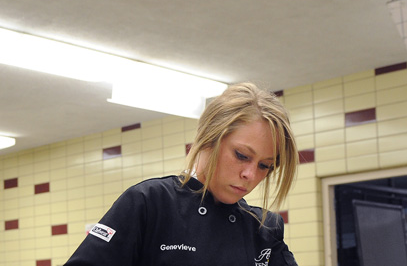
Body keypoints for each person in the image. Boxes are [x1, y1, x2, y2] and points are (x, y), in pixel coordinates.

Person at [64, 82, 299, 266]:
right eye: (241, 155)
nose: (250, 174)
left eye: (264, 166)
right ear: (208, 139)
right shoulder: (150, 203)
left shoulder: (264, 229)